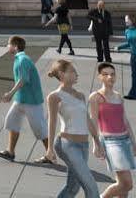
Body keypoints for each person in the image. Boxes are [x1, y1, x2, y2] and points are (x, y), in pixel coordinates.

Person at [44, 59, 103, 198]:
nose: (77, 74)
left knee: (72, 188)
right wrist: (50, 148)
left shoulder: (81, 96)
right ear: (61, 74)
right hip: (67, 145)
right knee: (91, 187)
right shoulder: (54, 97)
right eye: (72, 71)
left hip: (83, 145)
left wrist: (97, 142)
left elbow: (87, 121)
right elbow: (52, 123)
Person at [0, 36, 50, 163]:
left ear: (15, 46)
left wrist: (10, 94)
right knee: (12, 121)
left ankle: (50, 155)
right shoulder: (19, 59)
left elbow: (23, 79)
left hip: (31, 101)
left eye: (9, 44)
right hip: (21, 99)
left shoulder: (23, 60)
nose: (7, 46)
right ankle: (10, 152)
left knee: (39, 128)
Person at [90, 61, 136, 198]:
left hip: (125, 140)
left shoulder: (118, 96)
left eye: (112, 74)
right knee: (127, 184)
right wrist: (96, 144)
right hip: (110, 142)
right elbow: (93, 121)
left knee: (123, 186)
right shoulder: (96, 97)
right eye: (106, 74)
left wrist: (133, 142)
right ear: (100, 77)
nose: (110, 77)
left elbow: (125, 120)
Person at [119, 14, 136, 100]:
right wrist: (119, 47)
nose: (125, 21)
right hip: (133, 56)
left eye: (127, 19)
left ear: (132, 20)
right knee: (134, 75)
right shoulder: (127, 31)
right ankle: (133, 94)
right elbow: (129, 44)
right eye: (125, 19)